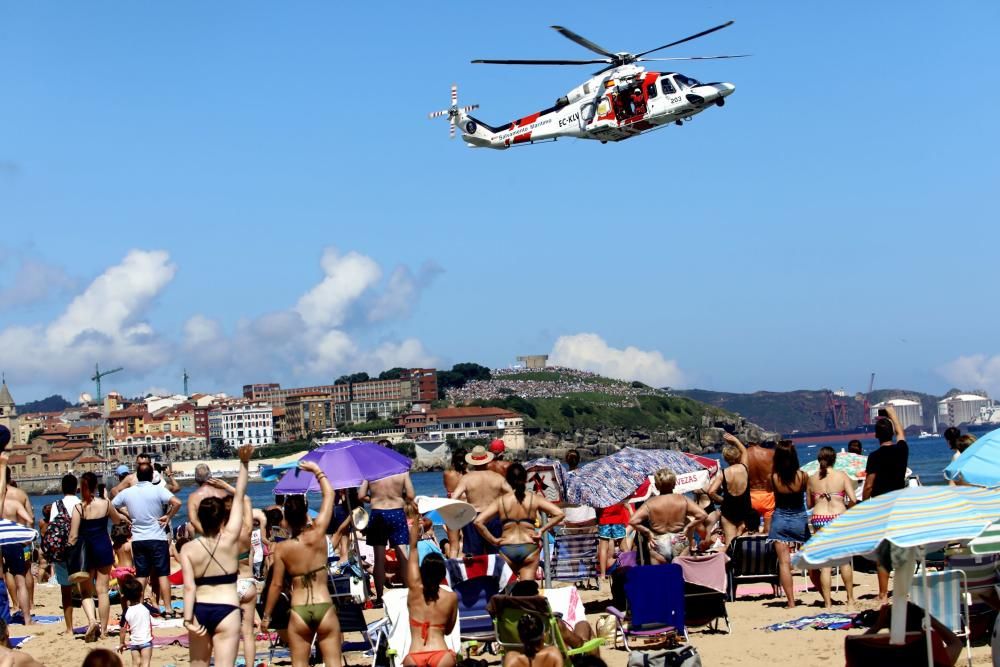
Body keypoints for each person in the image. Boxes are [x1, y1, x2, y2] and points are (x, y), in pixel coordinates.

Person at [263, 460, 354, 667]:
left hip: (299, 608)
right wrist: (317, 471)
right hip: (323, 603)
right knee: (333, 661)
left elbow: (276, 585)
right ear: (306, 513)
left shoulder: (283, 548)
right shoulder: (318, 533)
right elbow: (329, 495)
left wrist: (267, 616)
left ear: (285, 518)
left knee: (300, 663)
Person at [179, 444, 252, 667]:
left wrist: (187, 619)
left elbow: (189, 588)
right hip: (227, 608)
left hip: (200, 608)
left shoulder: (187, 549)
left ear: (200, 518)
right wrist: (244, 463)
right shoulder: (230, 538)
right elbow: (239, 498)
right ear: (223, 518)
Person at [474, 463, 565, 582]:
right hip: (529, 546)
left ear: (507, 480)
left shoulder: (501, 501)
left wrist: (493, 540)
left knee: (509, 590)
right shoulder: (533, 498)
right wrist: (542, 530)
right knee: (527, 591)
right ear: (526, 479)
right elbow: (560, 513)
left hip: (507, 547)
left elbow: (478, 522)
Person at [112, 463, 182, 616]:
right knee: (163, 573)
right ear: (152, 476)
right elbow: (177, 502)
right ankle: (168, 608)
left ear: (137, 476)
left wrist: (125, 516)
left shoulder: (129, 492)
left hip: (138, 538)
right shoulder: (158, 490)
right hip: (157, 537)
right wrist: (168, 516)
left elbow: (111, 505)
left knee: (142, 575)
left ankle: (138, 605)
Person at [69, 471, 128, 640]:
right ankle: (103, 631)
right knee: (103, 591)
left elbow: (73, 535)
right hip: (103, 547)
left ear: (82, 487)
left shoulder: (78, 508)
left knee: (86, 591)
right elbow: (117, 521)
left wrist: (69, 551)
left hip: (85, 552)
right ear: (96, 486)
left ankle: (92, 621)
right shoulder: (106, 504)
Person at [862, 404, 908, 603]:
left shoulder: (874, 457)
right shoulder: (901, 451)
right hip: (899, 505)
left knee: (883, 553)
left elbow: (869, 485)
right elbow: (902, 435)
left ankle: (882, 593)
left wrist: (864, 504)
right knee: (899, 550)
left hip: (882, 507)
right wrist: (894, 415)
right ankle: (901, 590)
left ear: (876, 436)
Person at [806, 447, 857, 607]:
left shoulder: (812, 478)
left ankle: (827, 602)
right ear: (834, 459)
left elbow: (809, 504)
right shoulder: (841, 475)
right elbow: (854, 499)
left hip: (819, 518)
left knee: (826, 565)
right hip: (838, 517)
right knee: (844, 561)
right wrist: (845, 507)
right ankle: (850, 598)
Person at [403, 517, 457, 667]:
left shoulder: (414, 590)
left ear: (423, 571)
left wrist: (414, 517)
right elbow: (448, 630)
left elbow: (412, 549)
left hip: (414, 655)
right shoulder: (451, 597)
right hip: (440, 654)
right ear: (442, 574)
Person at [359, 470, 416, 605]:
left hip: (378, 513)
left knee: (379, 559)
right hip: (397, 512)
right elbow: (411, 495)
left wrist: (373, 499)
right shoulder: (402, 473)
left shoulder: (370, 473)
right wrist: (398, 498)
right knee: (402, 555)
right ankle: (408, 592)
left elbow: (361, 495)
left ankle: (379, 597)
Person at [629, 469, 707, 563]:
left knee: (660, 576)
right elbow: (702, 515)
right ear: (674, 484)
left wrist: (648, 533)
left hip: (658, 542)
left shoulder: (650, 503)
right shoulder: (683, 499)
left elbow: (633, 521)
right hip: (679, 540)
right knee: (681, 574)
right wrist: (688, 528)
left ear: (657, 486)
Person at [767, 440, 809, 608]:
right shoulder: (803, 476)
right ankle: (824, 594)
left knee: (784, 563)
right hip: (799, 518)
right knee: (809, 560)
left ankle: (791, 602)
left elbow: (770, 492)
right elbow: (808, 496)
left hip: (780, 519)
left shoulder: (773, 478)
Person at [449, 446, 511, 556]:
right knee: (495, 555)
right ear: (487, 460)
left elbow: (454, 499)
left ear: (472, 461)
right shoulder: (497, 477)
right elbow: (512, 496)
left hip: (473, 518)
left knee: (474, 557)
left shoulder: (467, 478)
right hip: (493, 517)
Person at [706, 433, 752, 547]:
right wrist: (735, 440)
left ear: (725, 458)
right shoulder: (744, 468)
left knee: (730, 543)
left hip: (729, 510)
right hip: (744, 508)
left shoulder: (723, 473)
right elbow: (745, 451)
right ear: (738, 456)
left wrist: (722, 500)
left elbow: (711, 491)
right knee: (745, 542)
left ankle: (731, 563)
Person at [50, 473, 81, 634]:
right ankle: (92, 621)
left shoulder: (56, 505)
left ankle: (69, 628)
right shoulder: (82, 503)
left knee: (66, 590)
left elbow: (52, 527)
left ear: (62, 488)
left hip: (62, 551)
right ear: (77, 488)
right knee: (86, 589)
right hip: (80, 550)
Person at [1, 477, 33, 625]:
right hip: (13, 542)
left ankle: (6, 613)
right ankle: (27, 619)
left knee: (4, 577)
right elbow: (30, 519)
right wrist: (22, 533)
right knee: (20, 580)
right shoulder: (14, 503)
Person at [186, 464, 232, 535]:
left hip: (205, 536)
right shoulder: (223, 492)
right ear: (210, 476)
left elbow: (193, 520)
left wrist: (208, 535)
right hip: (226, 534)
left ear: (196, 479)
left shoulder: (193, 497)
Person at [595, 499, 631, 586]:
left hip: (604, 519)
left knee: (603, 548)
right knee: (624, 547)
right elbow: (624, 503)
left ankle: (603, 575)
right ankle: (629, 570)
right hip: (618, 519)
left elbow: (597, 508)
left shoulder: (600, 492)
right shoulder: (617, 490)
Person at [110, 453, 180, 497]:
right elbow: (114, 491)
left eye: (145, 464)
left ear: (150, 464)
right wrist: (124, 507)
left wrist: (169, 475)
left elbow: (175, 489)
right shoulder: (131, 478)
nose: (142, 466)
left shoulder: (157, 477)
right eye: (140, 464)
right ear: (136, 464)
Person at [119, 577, 153, 667]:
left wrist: (121, 643)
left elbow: (122, 629)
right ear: (141, 593)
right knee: (145, 663)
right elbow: (157, 612)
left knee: (135, 663)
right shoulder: (146, 607)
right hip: (146, 641)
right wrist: (155, 603)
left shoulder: (126, 611)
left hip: (134, 643)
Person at [745, 439, 775, 534]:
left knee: (751, 531)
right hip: (768, 495)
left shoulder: (742, 455)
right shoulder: (770, 453)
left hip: (750, 496)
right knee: (768, 531)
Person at [441, 451, 466, 558]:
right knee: (466, 542)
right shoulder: (468, 475)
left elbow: (447, 487)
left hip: (452, 507)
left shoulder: (447, 473)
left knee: (453, 546)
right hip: (466, 508)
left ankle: (452, 570)